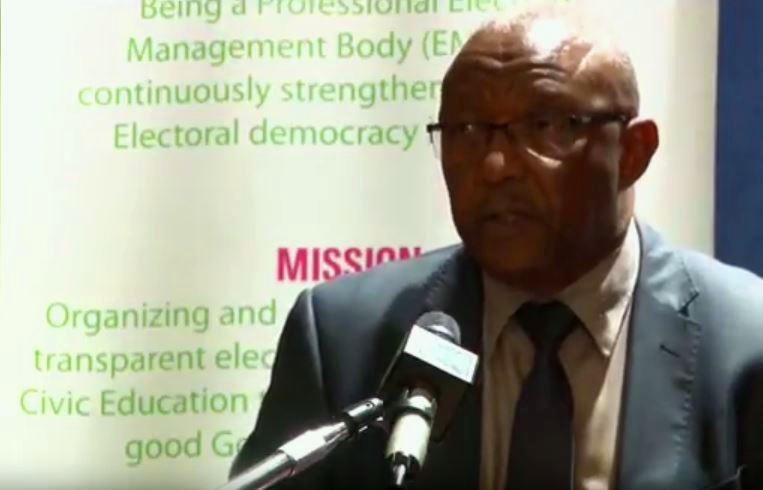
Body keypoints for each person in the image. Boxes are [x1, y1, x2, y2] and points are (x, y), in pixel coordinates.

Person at [230, 7, 763, 490]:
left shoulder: (747, 343)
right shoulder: (342, 338)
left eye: (544, 126)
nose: (494, 166)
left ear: (633, 151)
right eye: (465, 130)